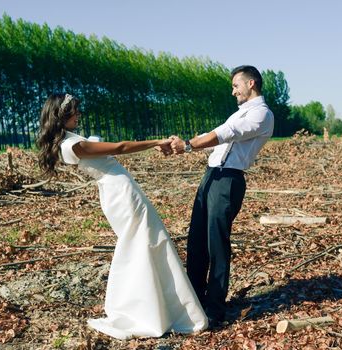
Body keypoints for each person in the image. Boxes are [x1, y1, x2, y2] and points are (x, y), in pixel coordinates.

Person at [36, 93, 208, 340]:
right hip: (121, 193)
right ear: (62, 115)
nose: (79, 114)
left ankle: (160, 306)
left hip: (118, 190)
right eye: (75, 111)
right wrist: (156, 142)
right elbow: (121, 147)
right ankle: (151, 309)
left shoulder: (70, 140)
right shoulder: (71, 145)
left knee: (144, 244)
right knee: (144, 243)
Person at [170, 65, 274, 328]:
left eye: (235, 85)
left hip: (228, 180)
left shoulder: (262, 114)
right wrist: (180, 143)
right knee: (196, 240)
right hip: (212, 175)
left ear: (251, 83)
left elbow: (227, 134)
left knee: (216, 243)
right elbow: (214, 133)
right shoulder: (239, 113)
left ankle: (215, 309)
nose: (232, 91)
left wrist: (188, 146)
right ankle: (193, 301)